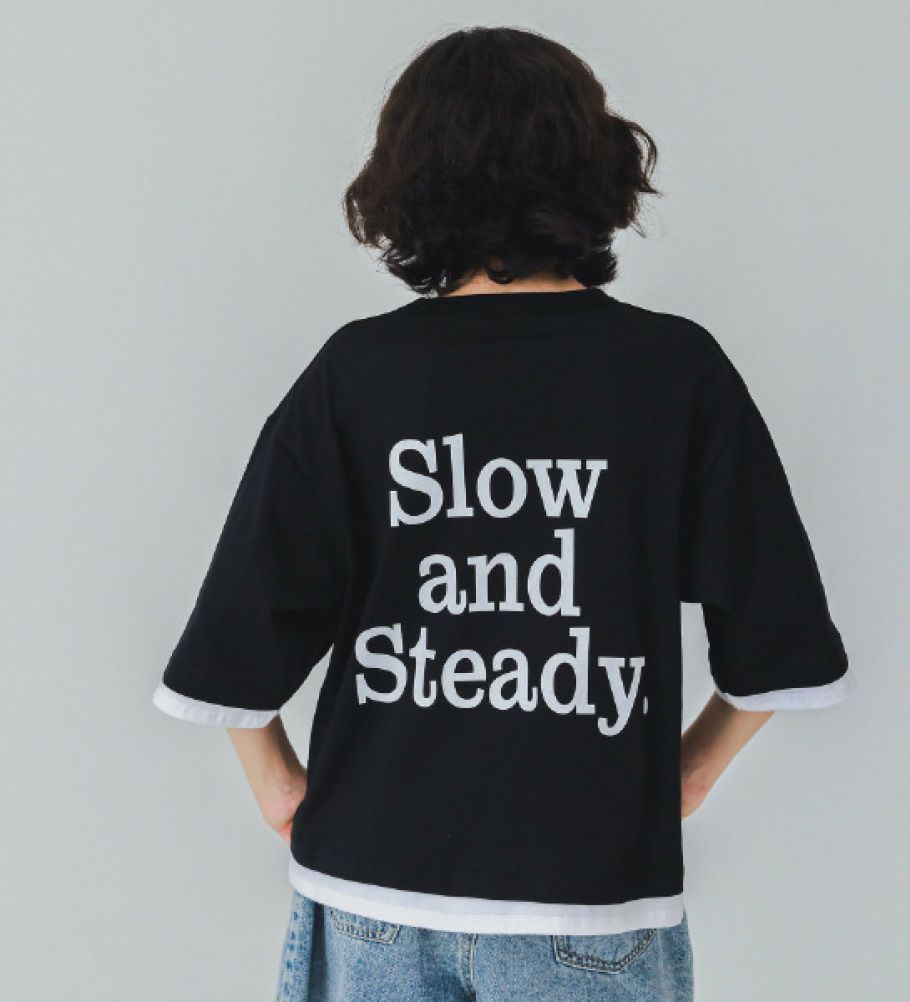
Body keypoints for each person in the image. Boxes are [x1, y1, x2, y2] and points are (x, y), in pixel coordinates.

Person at [152, 25, 852, 1002]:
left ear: (406, 181)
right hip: (590, 894)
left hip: (373, 889)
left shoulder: (358, 373)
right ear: (597, 167)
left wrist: (278, 787)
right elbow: (779, 634)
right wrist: (688, 775)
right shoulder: (673, 372)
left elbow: (239, 628)